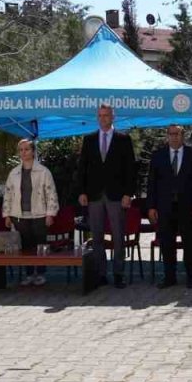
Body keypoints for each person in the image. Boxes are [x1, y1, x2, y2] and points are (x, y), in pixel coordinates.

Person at [75, 104, 136, 289]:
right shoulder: (89, 139)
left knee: (118, 236)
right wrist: (82, 192)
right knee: (97, 236)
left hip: (116, 195)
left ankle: (118, 273)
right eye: (100, 116)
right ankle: (101, 273)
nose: (103, 118)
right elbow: (82, 169)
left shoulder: (123, 139)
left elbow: (131, 169)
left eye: (106, 115)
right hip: (94, 195)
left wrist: (128, 193)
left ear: (113, 117)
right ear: (97, 118)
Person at [147, 124, 192, 290]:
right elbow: (151, 183)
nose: (174, 137)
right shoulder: (158, 156)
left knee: (190, 242)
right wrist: (151, 207)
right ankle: (169, 277)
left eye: (177, 134)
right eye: (171, 134)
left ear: (183, 135)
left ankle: (191, 276)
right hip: (165, 207)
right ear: (167, 136)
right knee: (167, 242)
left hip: (187, 206)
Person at [3, 139, 58, 286]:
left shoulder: (44, 172)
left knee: (40, 245)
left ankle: (40, 273)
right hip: (19, 215)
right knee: (26, 246)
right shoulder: (13, 173)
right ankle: (28, 274)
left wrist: (50, 213)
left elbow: (51, 193)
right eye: (21, 150)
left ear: (33, 151)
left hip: (39, 214)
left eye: (27, 149)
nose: (23, 152)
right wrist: (7, 214)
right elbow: (8, 194)